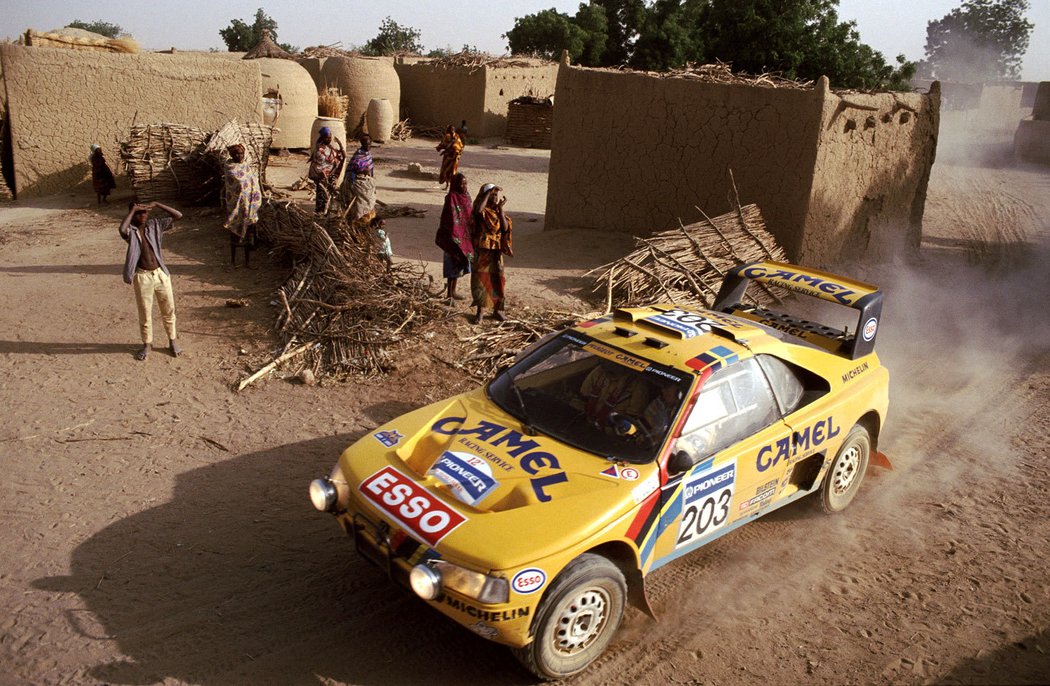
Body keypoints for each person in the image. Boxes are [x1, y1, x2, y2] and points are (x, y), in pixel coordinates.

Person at [118, 200, 184, 361]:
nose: (143, 215)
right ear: (133, 215)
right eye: (139, 213)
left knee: (169, 310)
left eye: (145, 212)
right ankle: (147, 344)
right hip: (142, 276)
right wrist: (133, 209)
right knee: (145, 312)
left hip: (160, 274)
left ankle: (172, 341)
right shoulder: (131, 232)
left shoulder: (155, 225)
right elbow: (122, 229)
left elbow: (178, 215)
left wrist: (158, 204)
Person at [470, 183, 513, 324]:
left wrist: (500, 209)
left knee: (497, 280)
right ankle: (480, 311)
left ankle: (497, 310)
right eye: (492, 195)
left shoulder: (496, 211)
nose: (495, 198)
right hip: (482, 251)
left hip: (496, 252)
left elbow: (505, 228)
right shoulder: (482, 210)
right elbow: (478, 211)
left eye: (496, 195)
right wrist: (488, 193)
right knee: (481, 280)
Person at [434, 172, 474, 303]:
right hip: (451, 237)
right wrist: (454, 233)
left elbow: (469, 215)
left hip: (464, 236)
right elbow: (448, 217)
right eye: (462, 183)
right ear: (456, 184)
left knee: (458, 265)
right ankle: (449, 295)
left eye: (466, 183)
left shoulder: (467, 197)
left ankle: (454, 291)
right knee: (451, 266)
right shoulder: (451, 197)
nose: (464, 186)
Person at [221, 144, 262, 269]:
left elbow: (253, 182)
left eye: (241, 154)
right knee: (234, 235)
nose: (239, 156)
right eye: (236, 154)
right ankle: (233, 262)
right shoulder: (230, 168)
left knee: (249, 236)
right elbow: (237, 185)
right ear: (232, 155)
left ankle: (247, 262)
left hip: (250, 208)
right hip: (236, 208)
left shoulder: (247, 167)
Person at [580, 362, 649, 429]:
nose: (609, 365)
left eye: (616, 364)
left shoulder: (637, 383)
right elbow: (584, 394)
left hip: (613, 429)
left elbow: (633, 414)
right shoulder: (600, 371)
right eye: (606, 361)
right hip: (588, 420)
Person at [340, 133, 376, 225]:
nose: (368, 146)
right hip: (357, 182)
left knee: (370, 200)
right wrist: (363, 170)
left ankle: (367, 218)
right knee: (361, 202)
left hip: (367, 182)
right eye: (366, 144)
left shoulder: (367, 155)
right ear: (362, 144)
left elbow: (370, 170)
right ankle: (360, 219)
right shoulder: (358, 156)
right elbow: (352, 170)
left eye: (369, 144)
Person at [308, 127, 344, 214]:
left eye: (330, 138)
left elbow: (335, 157)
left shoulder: (329, 147)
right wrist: (324, 174)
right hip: (321, 175)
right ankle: (319, 212)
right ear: (322, 138)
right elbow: (320, 164)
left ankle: (326, 212)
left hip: (329, 174)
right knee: (321, 194)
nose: (329, 139)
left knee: (328, 195)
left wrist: (341, 152)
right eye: (327, 138)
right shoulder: (319, 150)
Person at [436, 124, 464, 191]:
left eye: (453, 129)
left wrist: (456, 150)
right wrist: (440, 147)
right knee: (446, 172)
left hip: (454, 157)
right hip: (447, 157)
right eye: (450, 129)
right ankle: (447, 185)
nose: (452, 131)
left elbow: (460, 147)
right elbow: (443, 144)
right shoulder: (447, 137)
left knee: (452, 172)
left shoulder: (457, 137)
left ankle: (451, 187)